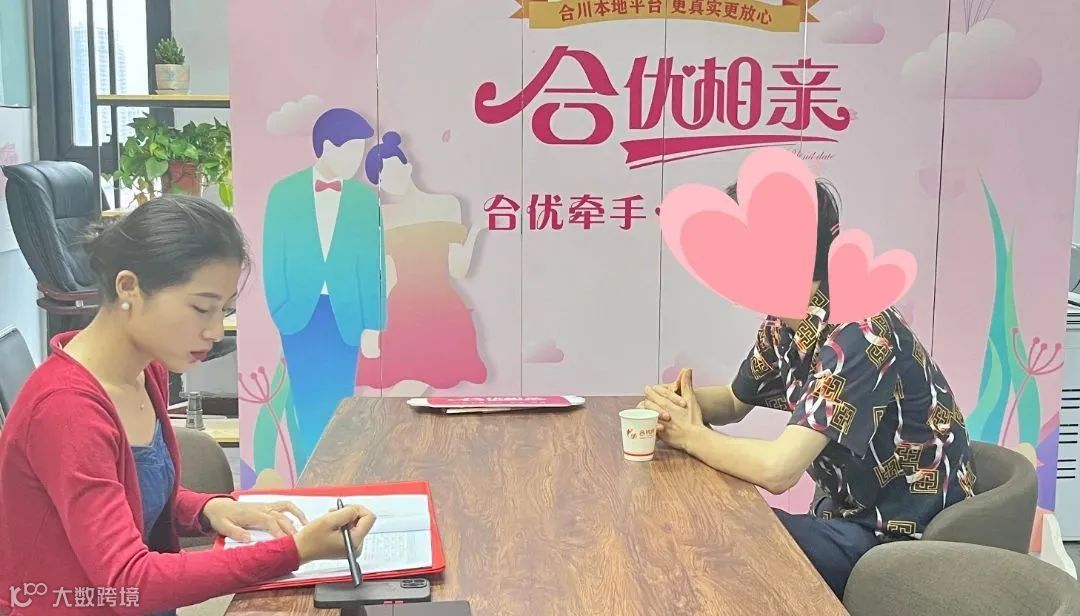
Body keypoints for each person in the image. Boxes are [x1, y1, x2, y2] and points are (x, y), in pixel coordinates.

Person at [0, 197, 376, 615]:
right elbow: (128, 580)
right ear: (129, 288)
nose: (215, 331)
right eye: (201, 308)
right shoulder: (66, 410)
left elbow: (131, 493)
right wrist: (295, 551)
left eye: (223, 311)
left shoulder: (146, 371)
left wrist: (207, 509)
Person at [639, 179, 977, 599]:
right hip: (844, 517)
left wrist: (691, 436)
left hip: (898, 544)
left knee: (722, 538)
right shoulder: (784, 322)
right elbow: (733, 401)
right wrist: (670, 405)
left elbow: (778, 470)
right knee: (708, 524)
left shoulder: (860, 330)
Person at [262, 107, 386, 471]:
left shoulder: (364, 200)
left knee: (340, 400)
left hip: (347, 314)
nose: (358, 160)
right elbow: (273, 256)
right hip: (299, 312)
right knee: (306, 399)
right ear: (329, 146)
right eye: (353, 150)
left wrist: (373, 325)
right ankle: (311, 476)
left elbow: (373, 265)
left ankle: (336, 474)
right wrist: (280, 308)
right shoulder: (284, 193)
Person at [356, 131, 487, 396]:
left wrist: (475, 233)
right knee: (403, 391)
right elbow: (386, 276)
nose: (390, 181)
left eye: (393, 170)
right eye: (382, 179)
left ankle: (388, 423)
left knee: (410, 392)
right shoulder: (383, 216)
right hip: (400, 313)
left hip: (442, 311)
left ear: (408, 167)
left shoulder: (447, 205)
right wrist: (372, 328)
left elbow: (457, 269)